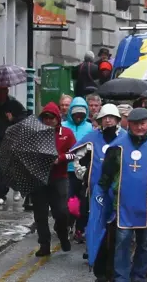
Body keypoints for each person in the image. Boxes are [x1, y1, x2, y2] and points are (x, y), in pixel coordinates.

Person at [98, 108, 147, 282]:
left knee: (146, 245)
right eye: (135, 124)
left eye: (143, 123)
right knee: (122, 242)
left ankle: (139, 276)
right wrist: (98, 195)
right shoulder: (117, 146)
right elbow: (107, 174)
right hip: (123, 204)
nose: (139, 127)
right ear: (128, 124)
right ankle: (121, 278)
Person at [71, 103, 125, 281]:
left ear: (118, 120)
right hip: (96, 194)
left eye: (112, 117)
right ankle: (99, 270)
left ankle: (115, 270)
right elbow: (78, 159)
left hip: (120, 195)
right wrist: (84, 175)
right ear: (100, 120)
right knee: (96, 230)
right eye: (104, 118)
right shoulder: (92, 139)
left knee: (119, 235)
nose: (108, 120)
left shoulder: (126, 138)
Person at [36, 102, 76, 256]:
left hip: (59, 178)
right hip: (39, 178)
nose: (48, 121)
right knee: (40, 214)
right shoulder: (37, 133)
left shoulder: (67, 133)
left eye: (51, 117)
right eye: (45, 118)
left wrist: (60, 158)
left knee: (61, 212)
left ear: (57, 118)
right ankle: (44, 245)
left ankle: (63, 235)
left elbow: (75, 153)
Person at [61, 96, 94, 228]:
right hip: (66, 169)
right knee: (68, 199)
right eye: (75, 114)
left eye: (81, 114)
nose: (78, 117)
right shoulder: (63, 126)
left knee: (82, 201)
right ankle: (67, 224)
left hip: (83, 170)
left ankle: (80, 228)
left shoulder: (90, 127)